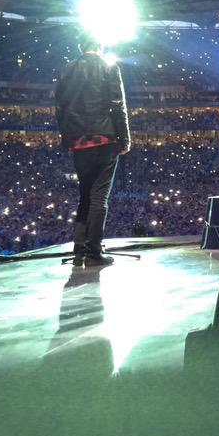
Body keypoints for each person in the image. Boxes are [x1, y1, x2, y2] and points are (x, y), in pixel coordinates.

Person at [54, 32, 131, 266]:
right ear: (100, 45)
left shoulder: (67, 69)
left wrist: (68, 138)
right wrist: (125, 138)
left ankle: (79, 248)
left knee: (85, 195)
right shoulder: (109, 66)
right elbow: (118, 105)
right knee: (100, 197)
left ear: (80, 46)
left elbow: (60, 107)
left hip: (79, 141)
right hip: (104, 138)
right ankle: (94, 251)